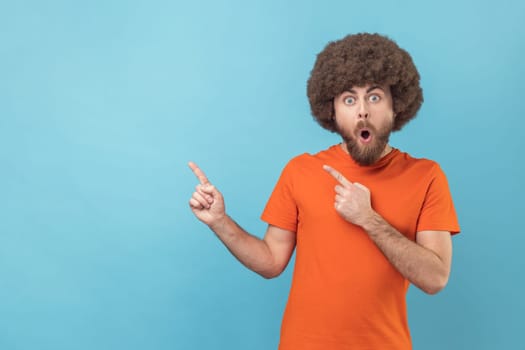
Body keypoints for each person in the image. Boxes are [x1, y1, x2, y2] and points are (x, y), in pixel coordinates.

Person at [188, 33, 460, 350]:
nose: (362, 111)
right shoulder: (300, 171)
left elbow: (435, 278)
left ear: (395, 105)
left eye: (374, 97)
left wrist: (369, 219)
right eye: (349, 99)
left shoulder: (426, 176)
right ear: (331, 109)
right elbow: (271, 261)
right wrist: (220, 221)